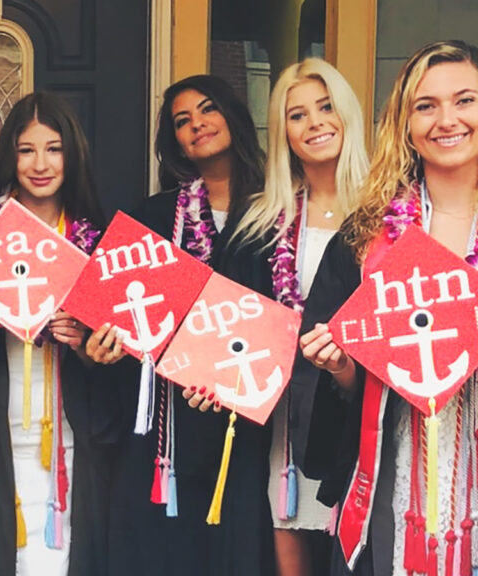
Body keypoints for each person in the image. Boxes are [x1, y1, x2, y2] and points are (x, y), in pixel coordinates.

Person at [294, 40, 478, 576]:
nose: (447, 120)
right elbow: (350, 388)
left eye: (465, 100)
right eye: (426, 106)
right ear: (405, 124)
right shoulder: (366, 239)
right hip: (395, 471)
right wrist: (339, 365)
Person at [86, 75, 272, 576]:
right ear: (175, 142)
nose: (197, 125)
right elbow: (112, 318)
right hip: (169, 428)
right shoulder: (153, 219)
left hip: (247, 422)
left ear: (233, 115)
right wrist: (100, 349)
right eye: (182, 121)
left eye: (208, 109)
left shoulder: (276, 210)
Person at [0, 90, 108, 576]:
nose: (40, 164)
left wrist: (88, 348)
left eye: (54, 149)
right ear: (8, 156)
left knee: (64, 553)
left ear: (72, 154)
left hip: (71, 428)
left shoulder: (98, 241)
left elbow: (119, 362)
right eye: (26, 149)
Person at [222, 58, 369, 576]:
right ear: (282, 131)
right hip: (283, 420)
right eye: (297, 114)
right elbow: (234, 318)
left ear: (347, 114)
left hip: (356, 416)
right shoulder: (262, 221)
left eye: (326, 107)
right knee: (288, 547)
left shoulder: (387, 214)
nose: (315, 123)